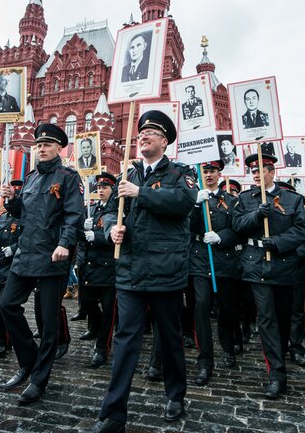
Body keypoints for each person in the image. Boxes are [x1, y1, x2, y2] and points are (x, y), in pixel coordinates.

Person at [79, 111, 196, 433]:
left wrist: (141, 193)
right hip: (131, 270)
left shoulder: (180, 172)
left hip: (166, 269)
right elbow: (110, 213)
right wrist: (112, 229)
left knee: (169, 338)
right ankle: (113, 413)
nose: (143, 136)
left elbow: (183, 202)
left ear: (164, 141)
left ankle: (175, 394)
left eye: (151, 133)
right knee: (125, 340)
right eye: (141, 132)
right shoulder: (127, 175)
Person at [0, 123, 85, 405]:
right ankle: (28, 360)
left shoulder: (68, 177)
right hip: (26, 253)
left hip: (52, 255)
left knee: (48, 323)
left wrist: (65, 244)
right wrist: (12, 201)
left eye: (47, 145)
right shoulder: (31, 178)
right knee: (7, 306)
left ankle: (38, 379)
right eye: (39, 145)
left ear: (59, 148)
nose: (42, 149)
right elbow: (23, 213)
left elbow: (74, 215)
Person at [231, 153, 305, 399]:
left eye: (261, 170)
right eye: (253, 171)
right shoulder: (246, 199)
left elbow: (302, 230)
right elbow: (237, 225)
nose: (256, 175)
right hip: (256, 265)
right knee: (266, 317)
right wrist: (256, 215)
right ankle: (276, 373)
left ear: (272, 172)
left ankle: (282, 352)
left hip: (283, 264)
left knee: (283, 317)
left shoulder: (292, 199)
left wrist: (277, 242)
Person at [188, 159, 243, 385]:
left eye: (212, 171)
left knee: (226, 308)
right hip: (200, 259)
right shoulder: (194, 198)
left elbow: (238, 230)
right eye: (205, 171)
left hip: (224, 260)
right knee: (201, 307)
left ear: (220, 174)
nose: (209, 175)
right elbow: (185, 226)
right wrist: (194, 205)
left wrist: (221, 237)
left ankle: (228, 347)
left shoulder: (232, 201)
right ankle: (204, 361)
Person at [79, 172, 119, 368]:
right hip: (89, 266)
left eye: (105, 187)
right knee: (87, 303)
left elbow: (119, 238)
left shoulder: (118, 210)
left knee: (109, 310)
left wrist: (97, 236)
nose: (101, 190)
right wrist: (82, 228)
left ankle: (102, 347)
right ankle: (96, 327)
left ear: (112, 189)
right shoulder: (91, 210)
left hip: (108, 267)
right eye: (99, 187)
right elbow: (80, 237)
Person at [0, 179, 24, 360]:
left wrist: (15, 249)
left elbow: (29, 239)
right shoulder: (2, 218)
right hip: (2, 267)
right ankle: (2, 341)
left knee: (8, 306)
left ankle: (7, 342)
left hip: (16, 267)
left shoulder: (23, 217)